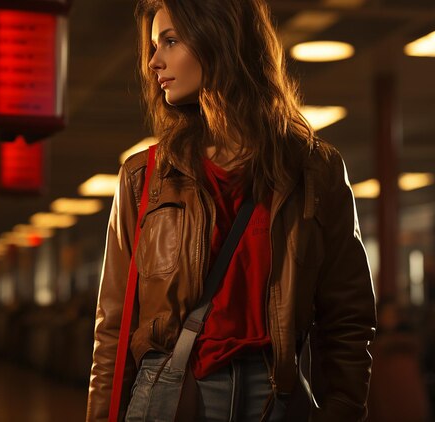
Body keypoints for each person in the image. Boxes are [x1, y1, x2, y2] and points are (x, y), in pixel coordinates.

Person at [86, 0, 376, 421]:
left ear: (218, 40)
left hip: (273, 397)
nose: (153, 61)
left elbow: (348, 319)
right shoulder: (145, 177)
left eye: (170, 41)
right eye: (153, 45)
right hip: (171, 396)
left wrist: (342, 412)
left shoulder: (314, 170)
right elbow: (113, 328)